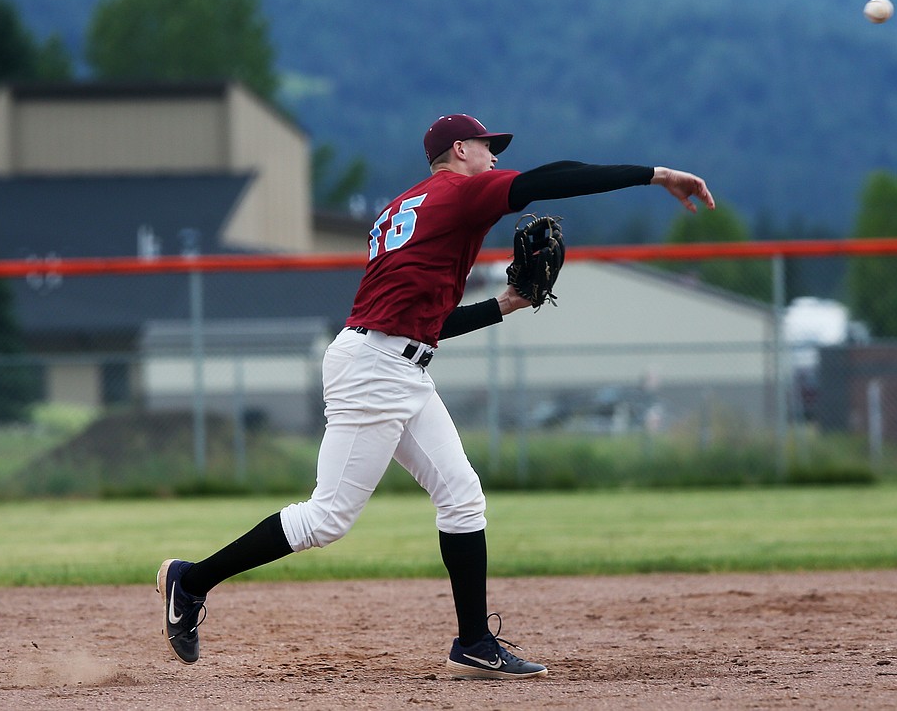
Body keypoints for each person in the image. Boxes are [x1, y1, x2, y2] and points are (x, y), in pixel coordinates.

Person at [157, 113, 715, 679]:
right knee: (327, 518)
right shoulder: (459, 192)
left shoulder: (409, 207)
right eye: (486, 146)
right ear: (457, 150)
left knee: (462, 496)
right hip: (376, 370)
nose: (494, 157)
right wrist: (656, 174)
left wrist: (505, 304)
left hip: (394, 363)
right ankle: (192, 579)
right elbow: (555, 178)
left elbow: (429, 323)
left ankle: (474, 640)